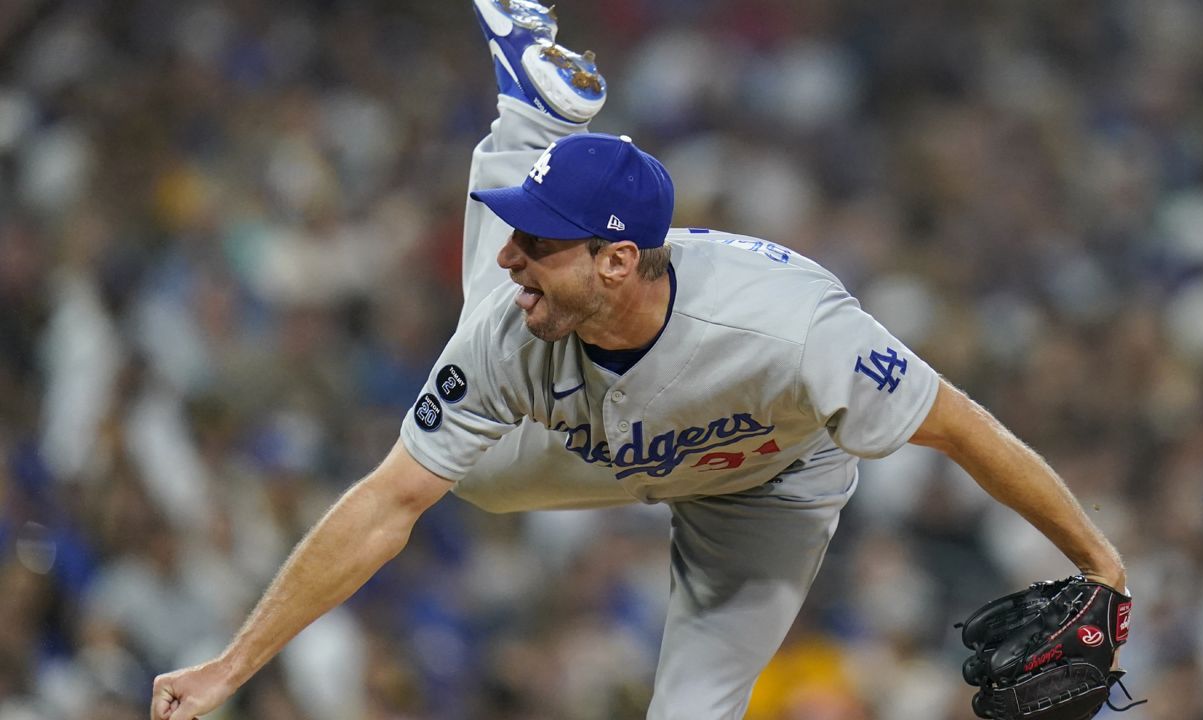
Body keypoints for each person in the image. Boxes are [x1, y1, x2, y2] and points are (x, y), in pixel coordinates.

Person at [151, 1, 1127, 718]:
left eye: (540, 237)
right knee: (479, 443)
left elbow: (959, 427)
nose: (509, 250)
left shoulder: (795, 330)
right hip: (603, 434)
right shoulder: (513, 327)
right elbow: (383, 505)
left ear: (619, 259)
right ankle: (527, 121)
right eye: (521, 231)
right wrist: (232, 665)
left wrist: (1097, 562)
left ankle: (531, 120)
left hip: (767, 483)